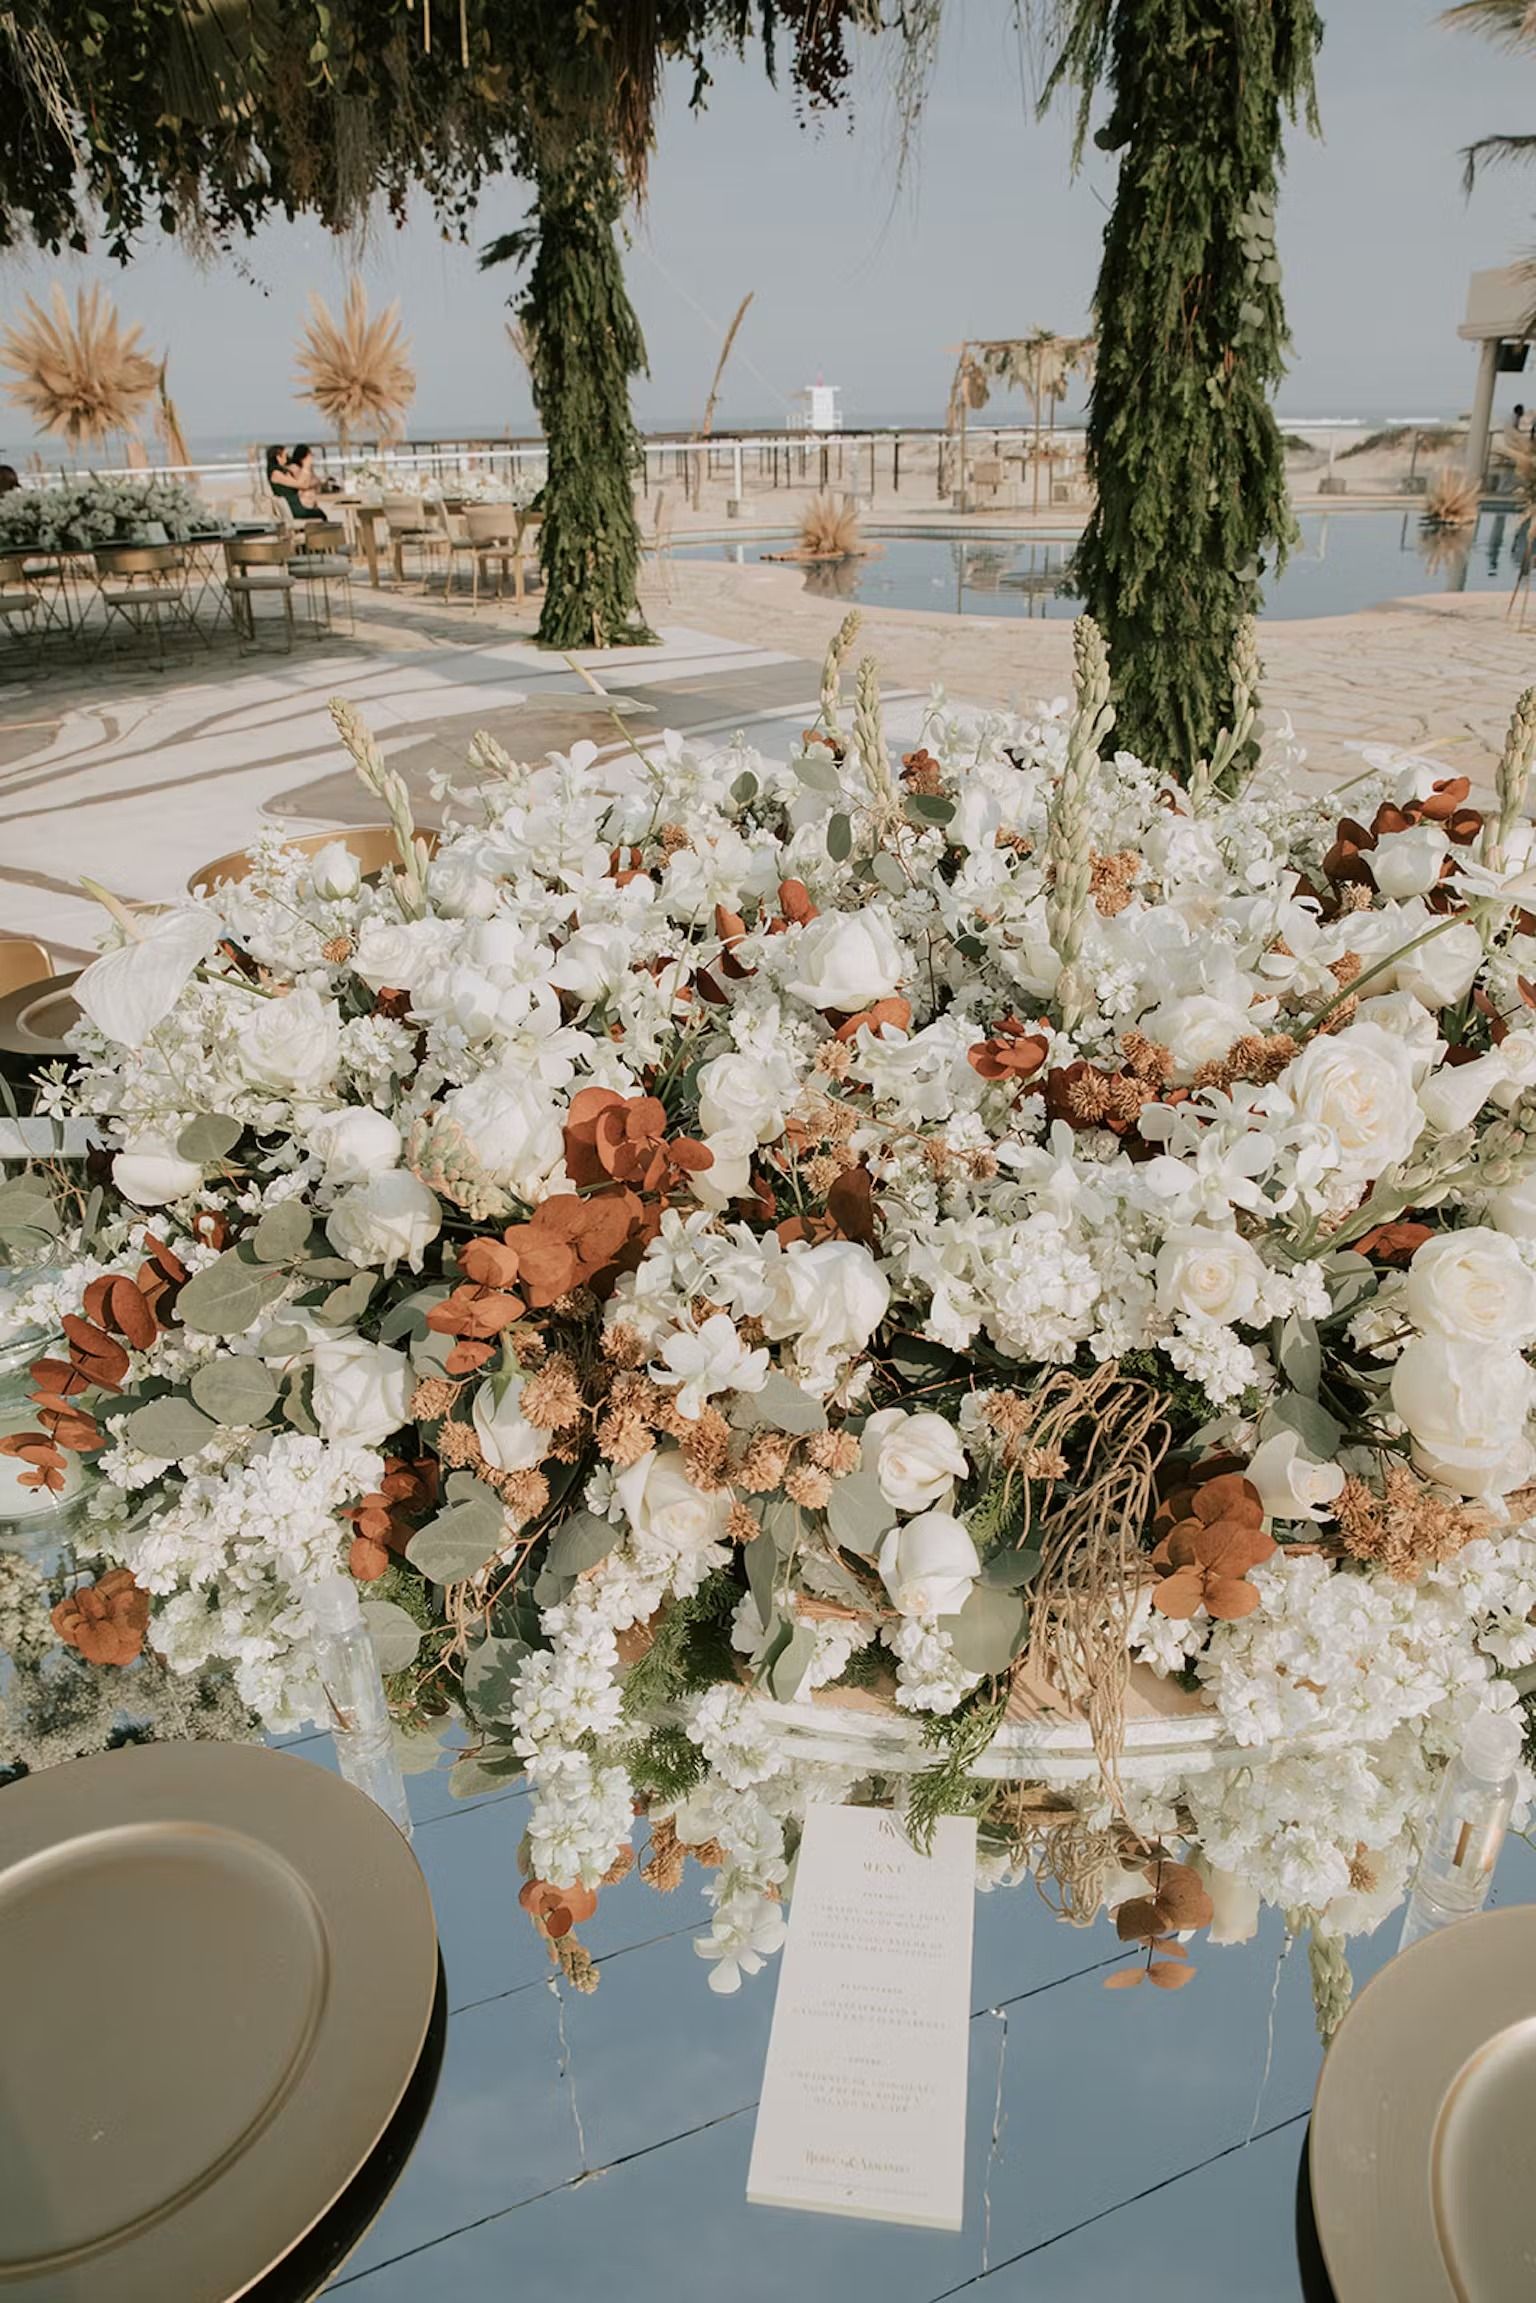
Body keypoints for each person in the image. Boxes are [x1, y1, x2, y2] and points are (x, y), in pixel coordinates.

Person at [270, 442, 324, 521]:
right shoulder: (277, 474)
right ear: (278, 457)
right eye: (285, 455)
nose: (288, 457)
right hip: (295, 509)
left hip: (295, 506)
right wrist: (306, 466)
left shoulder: (283, 472)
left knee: (319, 512)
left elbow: (309, 482)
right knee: (320, 514)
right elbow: (303, 485)